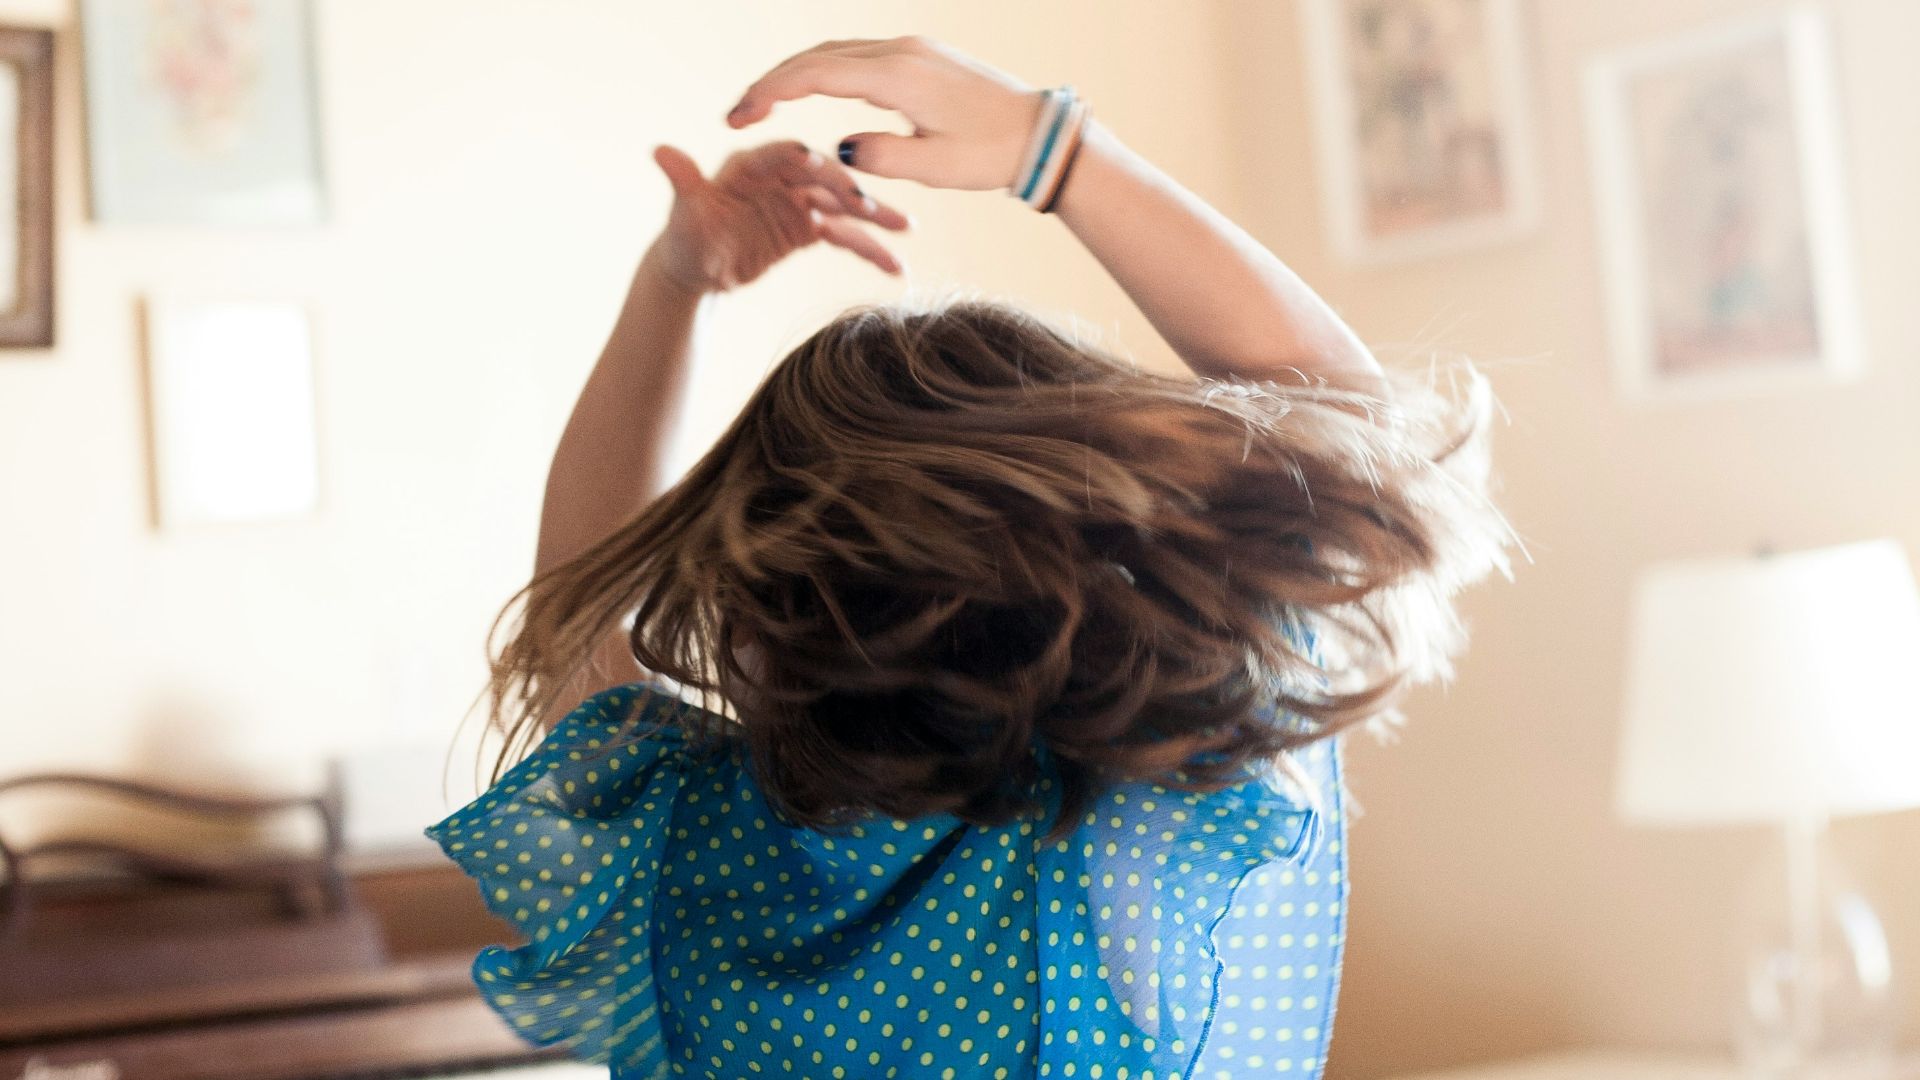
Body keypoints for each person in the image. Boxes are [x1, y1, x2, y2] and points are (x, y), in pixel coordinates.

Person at [427, 36, 1517, 1080]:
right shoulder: (1128, 824)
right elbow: (1362, 439)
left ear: (760, 600)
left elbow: (572, 610)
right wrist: (1058, 153)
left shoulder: (701, 854)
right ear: (1078, 559)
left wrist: (675, 283)